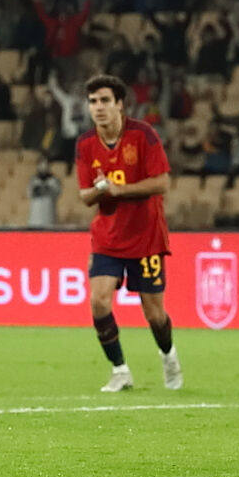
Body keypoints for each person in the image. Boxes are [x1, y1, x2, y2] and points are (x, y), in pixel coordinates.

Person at [75, 74, 182, 393]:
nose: (98, 107)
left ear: (120, 104)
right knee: (99, 301)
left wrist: (119, 189)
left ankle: (168, 355)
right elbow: (83, 195)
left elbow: (162, 182)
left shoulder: (143, 135)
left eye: (105, 100)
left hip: (146, 235)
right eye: (93, 102)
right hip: (108, 236)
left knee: (153, 312)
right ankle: (120, 370)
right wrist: (98, 191)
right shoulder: (85, 144)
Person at [27, 159, 63, 228]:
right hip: (36, 213)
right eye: (41, 165)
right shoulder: (33, 180)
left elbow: (58, 193)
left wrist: (47, 189)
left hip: (48, 211)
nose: (43, 167)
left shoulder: (53, 180)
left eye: (45, 165)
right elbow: (29, 193)